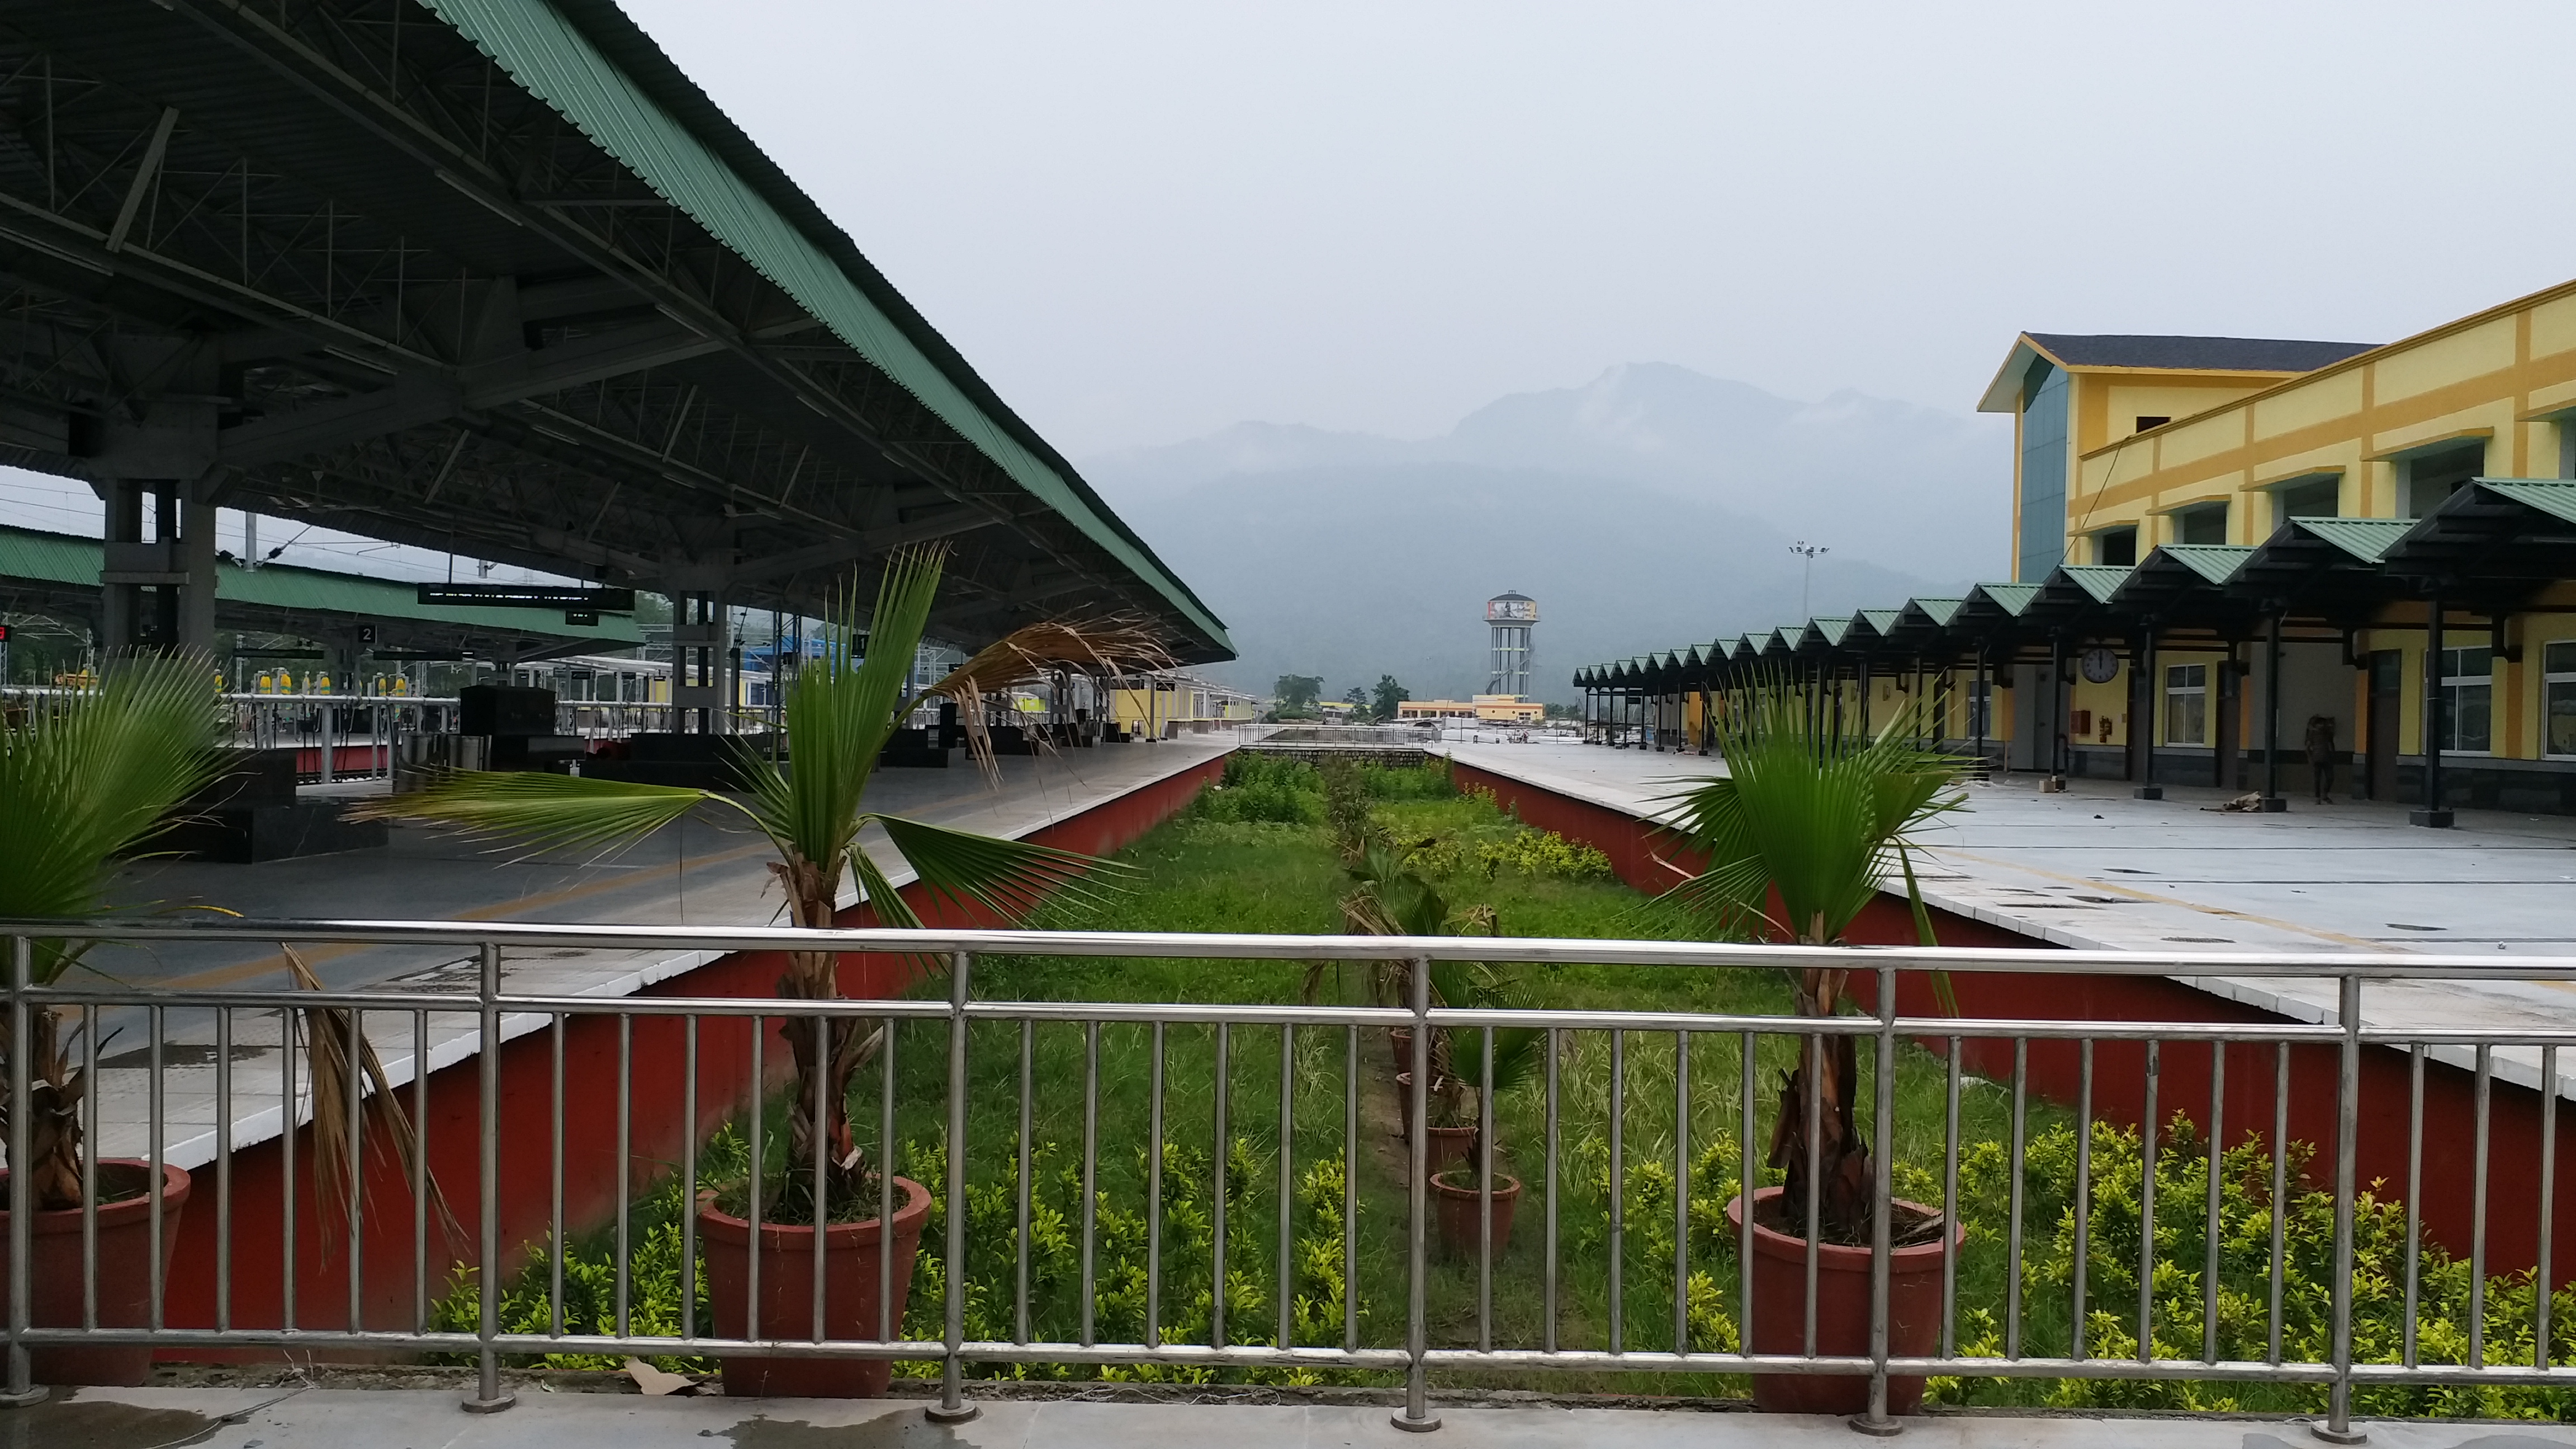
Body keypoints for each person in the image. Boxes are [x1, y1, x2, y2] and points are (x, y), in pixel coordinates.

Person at [2304, 714, 2338, 804]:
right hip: (2317, 759)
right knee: (2317, 779)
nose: (2322, 726)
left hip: (2327, 758)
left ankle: (2324, 794)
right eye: (2320, 724)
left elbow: (2331, 745)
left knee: (2330, 777)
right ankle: (2318, 797)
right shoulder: (2312, 734)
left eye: (2323, 724)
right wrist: (2310, 757)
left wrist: (2333, 755)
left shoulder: (2328, 734)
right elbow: (2307, 747)